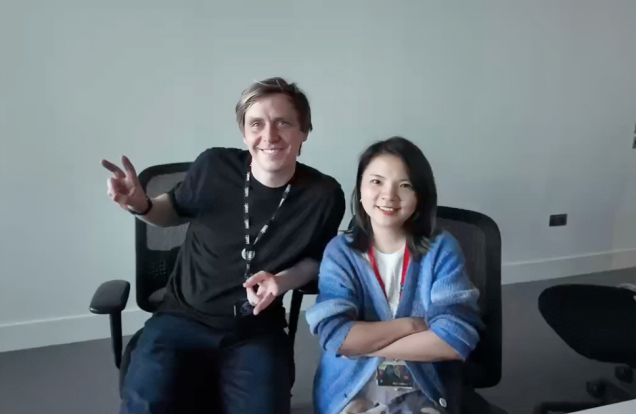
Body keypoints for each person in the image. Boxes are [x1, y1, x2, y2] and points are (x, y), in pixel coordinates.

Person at [101, 77, 346, 414]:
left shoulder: (323, 195)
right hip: (180, 319)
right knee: (146, 405)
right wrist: (141, 205)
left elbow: (315, 261)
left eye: (283, 123)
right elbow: (171, 211)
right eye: (256, 124)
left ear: (304, 130)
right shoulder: (213, 166)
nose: (269, 135)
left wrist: (282, 281)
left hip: (255, 329)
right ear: (244, 133)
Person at [305, 137, 484, 414]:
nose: (389, 196)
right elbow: (335, 336)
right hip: (351, 386)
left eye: (405, 185)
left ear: (420, 195)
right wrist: (410, 325)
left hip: (420, 383)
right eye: (376, 181)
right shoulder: (340, 252)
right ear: (360, 188)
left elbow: (454, 338)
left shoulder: (441, 249)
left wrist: (363, 344)